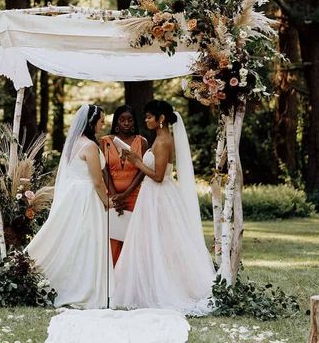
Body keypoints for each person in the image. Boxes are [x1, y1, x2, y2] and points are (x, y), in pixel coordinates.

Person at [112, 99, 216, 315]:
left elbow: (158, 176)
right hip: (152, 195)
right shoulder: (159, 138)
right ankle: (148, 283)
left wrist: (136, 161)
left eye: (150, 116)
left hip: (158, 196)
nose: (146, 120)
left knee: (162, 241)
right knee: (151, 242)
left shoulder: (163, 141)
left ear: (161, 119)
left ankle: (164, 285)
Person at [26, 104, 114, 308]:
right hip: (86, 198)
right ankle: (83, 287)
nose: (103, 125)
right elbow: (98, 181)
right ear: (92, 122)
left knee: (72, 239)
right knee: (86, 241)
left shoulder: (74, 143)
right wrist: (107, 202)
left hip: (73, 197)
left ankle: (69, 282)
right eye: (101, 121)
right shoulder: (90, 147)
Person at [100, 105, 148, 265]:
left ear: (134, 122)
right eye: (122, 120)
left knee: (132, 237)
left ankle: (131, 278)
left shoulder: (141, 142)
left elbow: (142, 171)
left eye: (130, 119)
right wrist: (114, 196)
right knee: (113, 236)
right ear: (116, 122)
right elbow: (104, 169)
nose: (126, 123)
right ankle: (112, 277)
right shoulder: (105, 141)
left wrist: (126, 194)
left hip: (134, 196)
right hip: (111, 196)